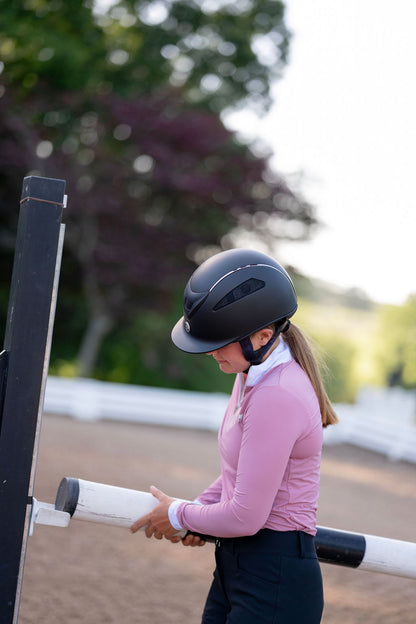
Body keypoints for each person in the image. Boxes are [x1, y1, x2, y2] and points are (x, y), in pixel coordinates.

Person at [131, 248, 338, 623]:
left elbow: (245, 516)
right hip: (239, 564)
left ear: (261, 337)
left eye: (218, 343)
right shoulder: (249, 373)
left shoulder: (277, 394)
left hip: (273, 574)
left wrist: (179, 514)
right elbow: (244, 472)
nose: (210, 354)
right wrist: (197, 514)